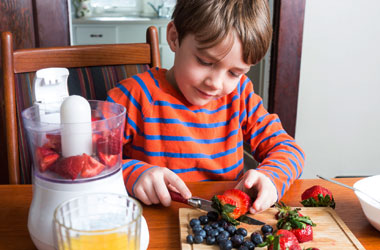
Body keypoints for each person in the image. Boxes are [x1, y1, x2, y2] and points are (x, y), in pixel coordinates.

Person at [107, 0, 304, 214]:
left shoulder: (241, 95)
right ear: (174, 37)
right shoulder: (133, 97)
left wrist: (271, 177)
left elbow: (288, 149)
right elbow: (86, 162)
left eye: (234, 73)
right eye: (205, 62)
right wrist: (132, 174)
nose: (216, 83)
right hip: (156, 222)